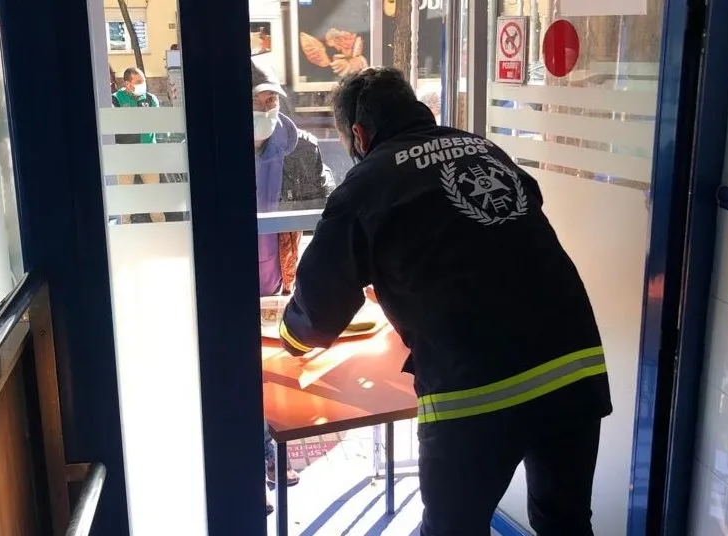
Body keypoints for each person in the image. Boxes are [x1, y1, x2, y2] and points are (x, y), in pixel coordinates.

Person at [277, 67, 612, 535]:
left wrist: (289, 336)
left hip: (473, 388)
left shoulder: (367, 182)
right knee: (566, 521)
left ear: (358, 133)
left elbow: (318, 311)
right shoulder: (484, 150)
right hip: (573, 366)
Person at [250, 59, 333, 514]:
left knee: (272, 376)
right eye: (258, 101)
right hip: (227, 283)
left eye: (272, 100)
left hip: (276, 281)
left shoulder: (301, 147)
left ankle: (268, 453)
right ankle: (258, 463)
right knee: (241, 377)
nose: (268, 108)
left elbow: (325, 201)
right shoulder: (212, 145)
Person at [111, 67, 164, 223]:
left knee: (155, 197)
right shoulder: (116, 99)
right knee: (125, 198)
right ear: (128, 84)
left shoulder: (150, 99)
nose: (143, 84)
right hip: (125, 155)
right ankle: (125, 233)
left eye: (144, 81)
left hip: (148, 154)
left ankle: (162, 230)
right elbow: (116, 125)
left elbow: (155, 122)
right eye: (139, 82)